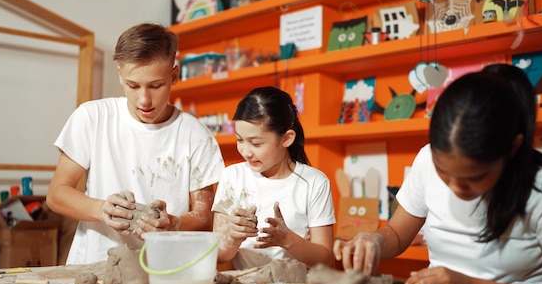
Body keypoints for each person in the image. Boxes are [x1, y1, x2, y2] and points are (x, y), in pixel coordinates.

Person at [333, 66, 542, 284]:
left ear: (512, 148)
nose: (456, 188)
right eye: (444, 174)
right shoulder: (426, 159)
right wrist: (374, 241)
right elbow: (397, 234)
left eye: (473, 179)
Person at [46, 23, 225, 265]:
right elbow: (57, 194)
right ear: (120, 74)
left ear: (174, 75)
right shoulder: (93, 117)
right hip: (94, 264)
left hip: (163, 269)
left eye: (155, 85)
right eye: (133, 85)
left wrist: (173, 223)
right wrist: (101, 209)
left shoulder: (195, 135)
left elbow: (204, 217)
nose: (144, 100)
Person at [212, 86, 336, 270]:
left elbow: (325, 259)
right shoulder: (232, 176)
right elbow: (220, 256)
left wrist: (287, 239)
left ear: (286, 139)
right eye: (239, 140)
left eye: (256, 143)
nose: (246, 152)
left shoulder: (314, 182)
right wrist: (233, 237)